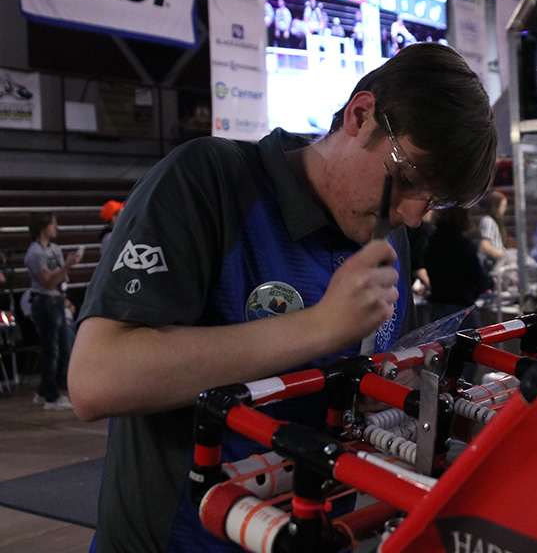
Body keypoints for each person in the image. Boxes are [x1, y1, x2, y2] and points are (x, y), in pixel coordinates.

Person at [68, 43, 497, 552]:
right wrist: (317, 328)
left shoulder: (389, 236)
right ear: (360, 116)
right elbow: (97, 379)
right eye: (405, 179)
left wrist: (387, 392)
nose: (409, 215)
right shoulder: (212, 181)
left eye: (433, 202)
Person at [24, 212, 83, 410]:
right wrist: (65, 265)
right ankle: (51, 396)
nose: (56, 228)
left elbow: (63, 278)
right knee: (52, 351)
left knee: (62, 349)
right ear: (43, 227)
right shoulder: (34, 253)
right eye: (53, 224)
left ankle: (43, 391)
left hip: (56, 301)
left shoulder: (54, 249)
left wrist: (65, 268)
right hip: (44, 302)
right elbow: (48, 282)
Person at [424, 207, 492, 328]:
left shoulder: (432, 240)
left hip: (437, 305)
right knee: (472, 345)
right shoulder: (463, 244)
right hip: (460, 308)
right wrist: (490, 282)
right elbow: (476, 276)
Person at [478, 190, 508, 273]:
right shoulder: (488, 221)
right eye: (503, 206)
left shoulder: (492, 221)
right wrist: (502, 254)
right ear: (496, 206)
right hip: (491, 264)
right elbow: (485, 245)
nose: (504, 209)